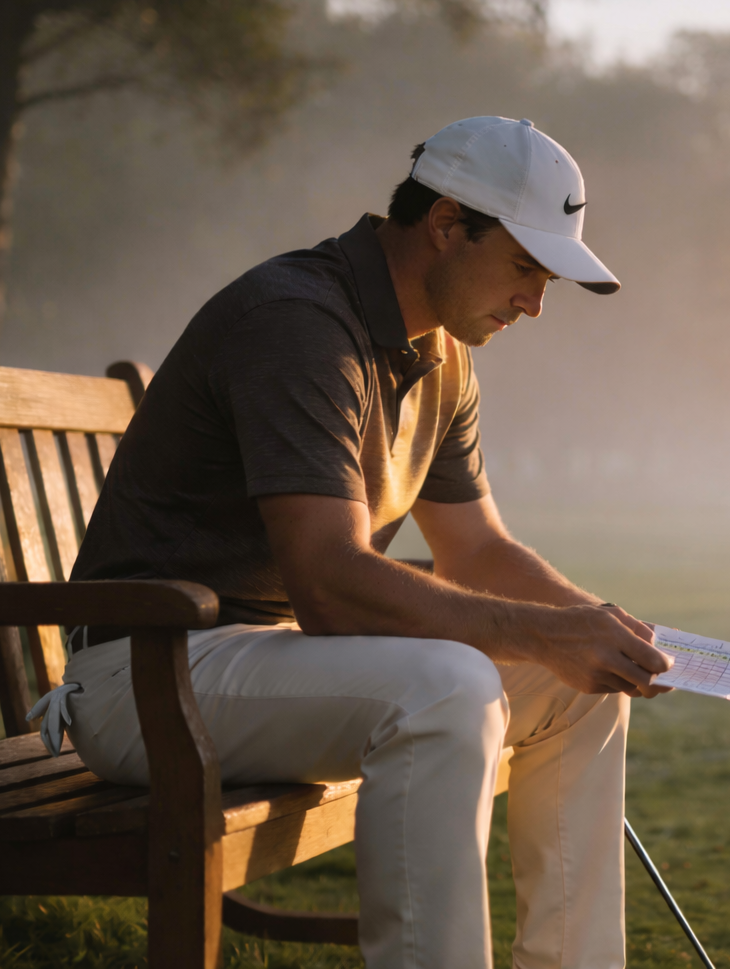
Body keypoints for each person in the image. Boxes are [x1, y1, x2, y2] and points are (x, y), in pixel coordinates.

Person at [61, 116, 673, 969]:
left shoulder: (443, 352)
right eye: (527, 267)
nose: (536, 303)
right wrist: (545, 632)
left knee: (577, 686)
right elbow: (329, 584)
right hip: (146, 674)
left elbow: (478, 550)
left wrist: (594, 627)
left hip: (264, 664)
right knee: (444, 686)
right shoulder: (299, 323)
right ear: (449, 225)